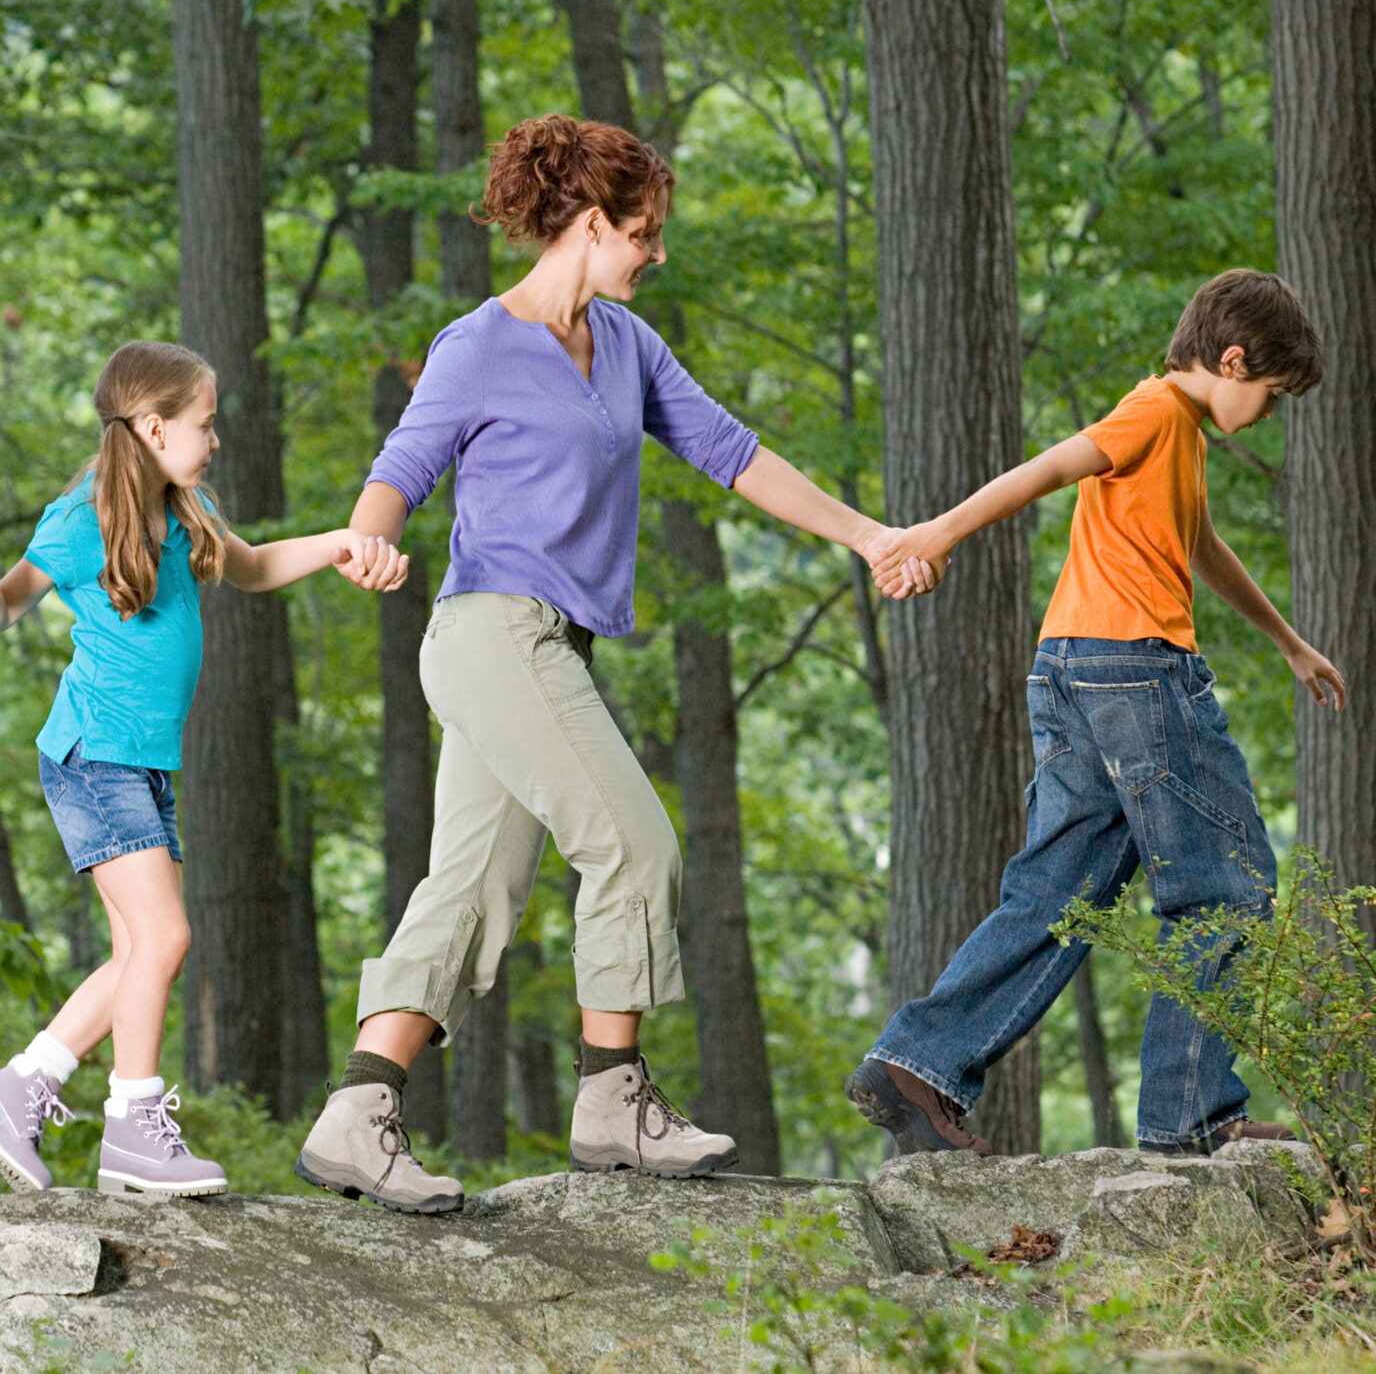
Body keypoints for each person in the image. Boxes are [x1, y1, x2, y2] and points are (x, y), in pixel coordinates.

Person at [289, 113, 928, 1214]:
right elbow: (399, 468)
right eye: (645, 233)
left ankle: (355, 1112)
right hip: (492, 632)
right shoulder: (476, 344)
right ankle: (611, 1097)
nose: (656, 253)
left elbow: (734, 454)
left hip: (548, 645)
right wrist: (370, 533)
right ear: (590, 223)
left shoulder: (629, 348)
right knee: (635, 845)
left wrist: (868, 535)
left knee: (471, 887)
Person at [853, 269, 1346, 1158]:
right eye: (1270, 395)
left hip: (1074, 669)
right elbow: (1055, 463)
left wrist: (1287, 639)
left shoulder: (1179, 438)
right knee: (1228, 886)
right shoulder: (1156, 412)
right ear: (1232, 360)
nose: (1269, 415)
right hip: (1139, 674)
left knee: (1057, 892)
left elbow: (1200, 544)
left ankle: (916, 1064)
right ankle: (1188, 1117)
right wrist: (938, 533)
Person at [0, 341, 408, 1197]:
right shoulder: (81, 519)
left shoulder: (184, 507)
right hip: (92, 758)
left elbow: (260, 565)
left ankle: (20, 1090)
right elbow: (1, 609)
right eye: (205, 423)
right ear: (155, 427)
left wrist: (347, 541)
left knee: (137, 954)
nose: (217, 439)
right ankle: (132, 1128)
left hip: (141, 767)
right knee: (166, 937)